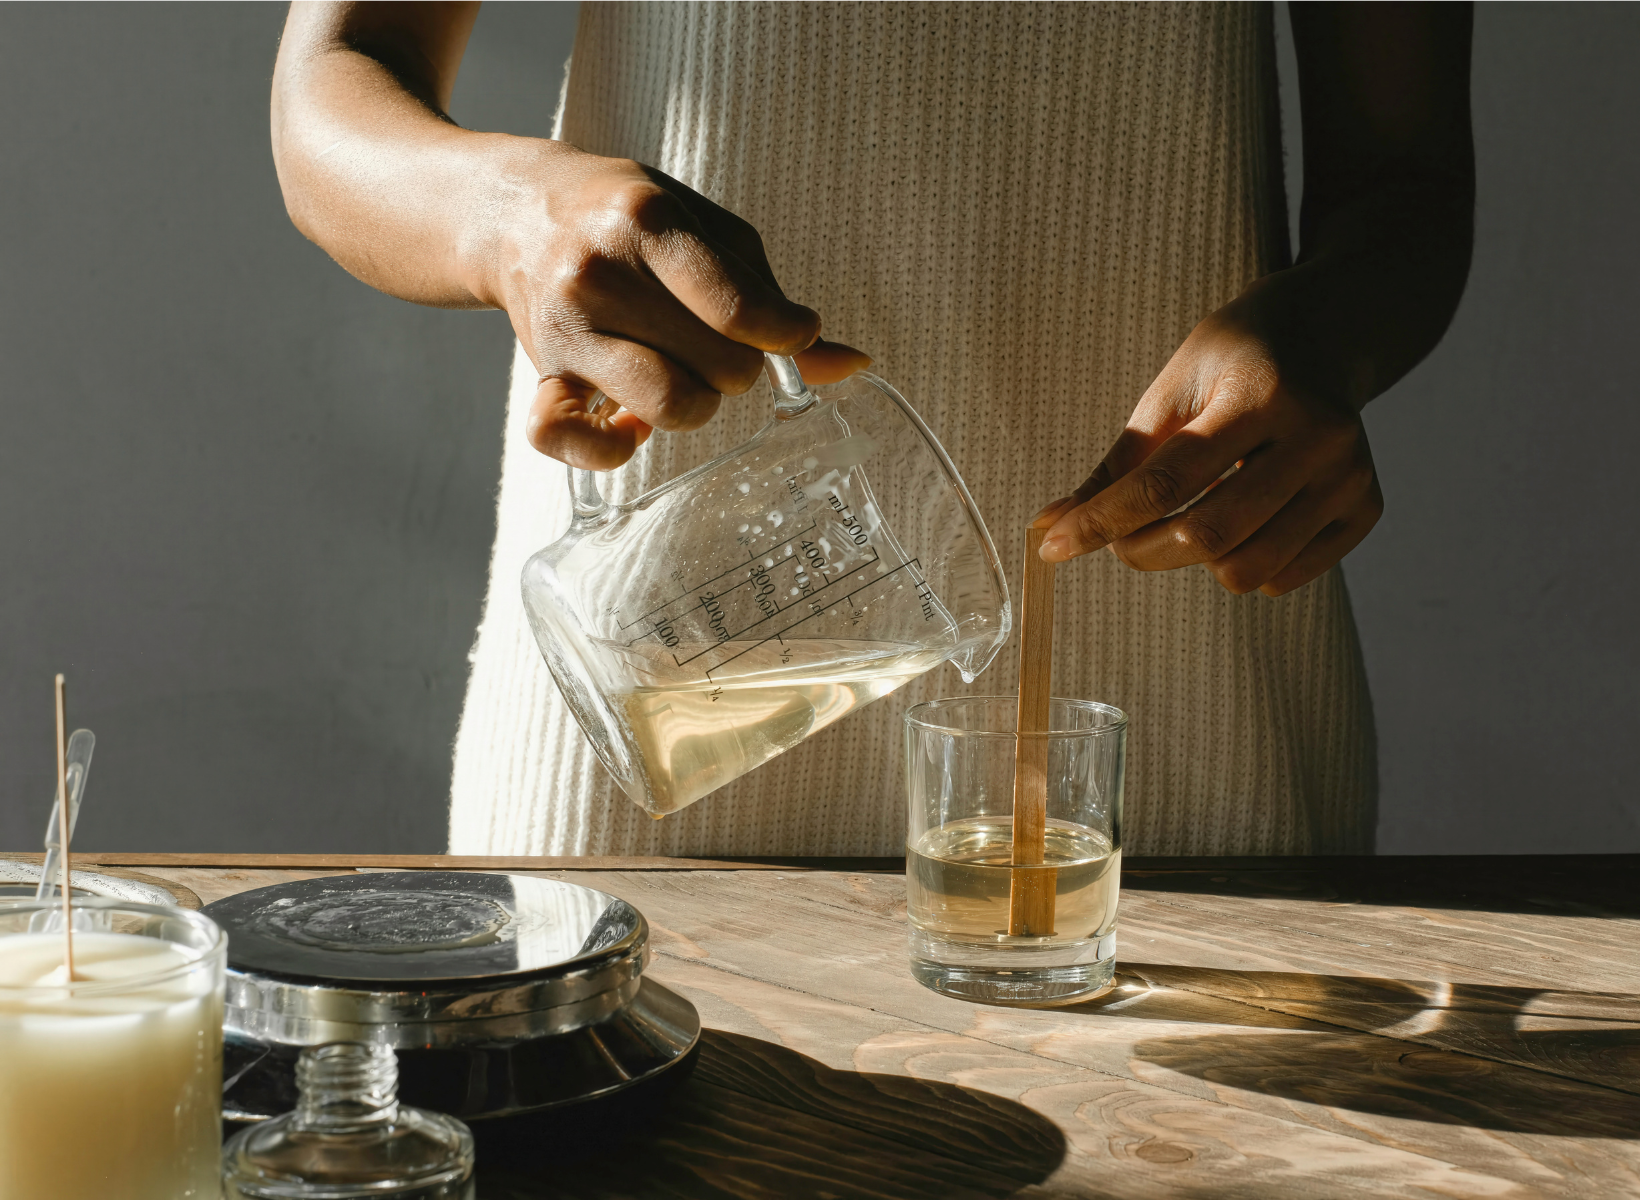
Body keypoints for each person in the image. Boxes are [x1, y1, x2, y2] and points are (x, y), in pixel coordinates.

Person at [272, 2, 1474, 856]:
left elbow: (1405, 178)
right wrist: (512, 218)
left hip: (1197, 748)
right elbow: (333, 83)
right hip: (642, 720)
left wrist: (1323, 339)